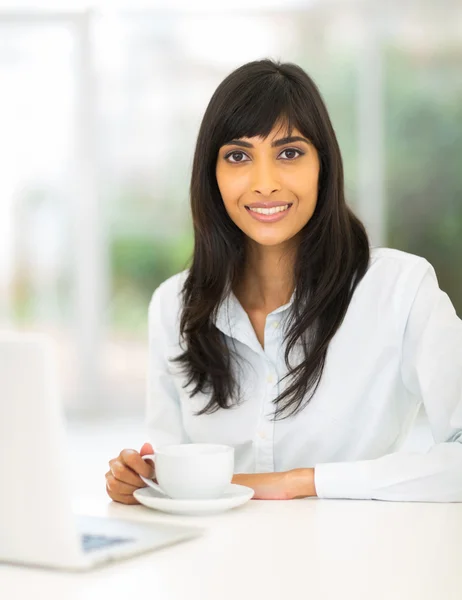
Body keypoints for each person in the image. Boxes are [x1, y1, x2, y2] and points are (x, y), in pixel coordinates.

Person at [105, 59, 462, 505]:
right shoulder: (173, 306)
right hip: (213, 567)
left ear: (323, 166)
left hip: (358, 564)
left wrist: (300, 482)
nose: (265, 184)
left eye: (289, 153)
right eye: (238, 156)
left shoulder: (400, 289)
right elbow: (168, 466)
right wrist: (141, 480)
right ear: (211, 175)